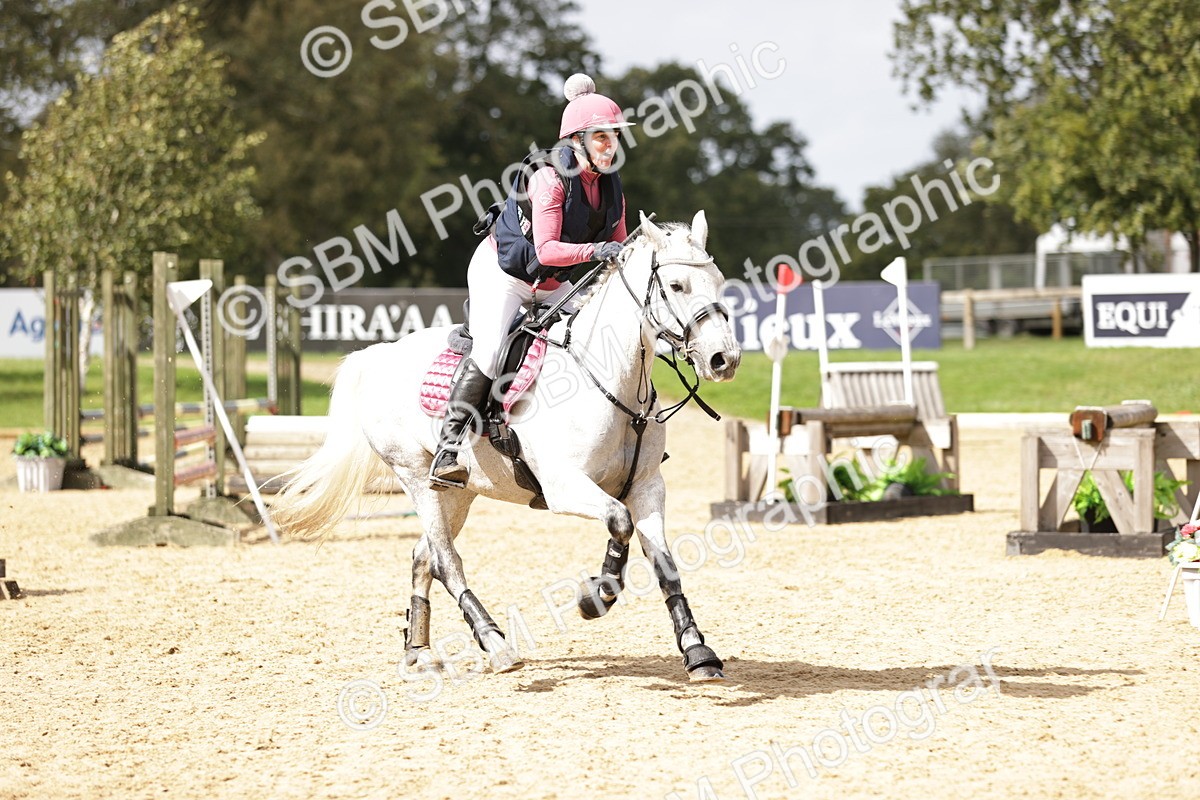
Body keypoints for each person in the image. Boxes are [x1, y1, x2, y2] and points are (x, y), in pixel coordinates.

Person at [429, 74, 634, 489]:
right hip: (503, 273)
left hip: (551, 281)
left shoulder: (612, 189)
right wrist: (597, 253)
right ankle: (446, 450)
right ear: (576, 140)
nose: (611, 146)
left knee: (595, 334)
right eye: (602, 137)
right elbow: (546, 251)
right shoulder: (549, 176)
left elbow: (620, 249)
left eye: (614, 137)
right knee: (489, 352)